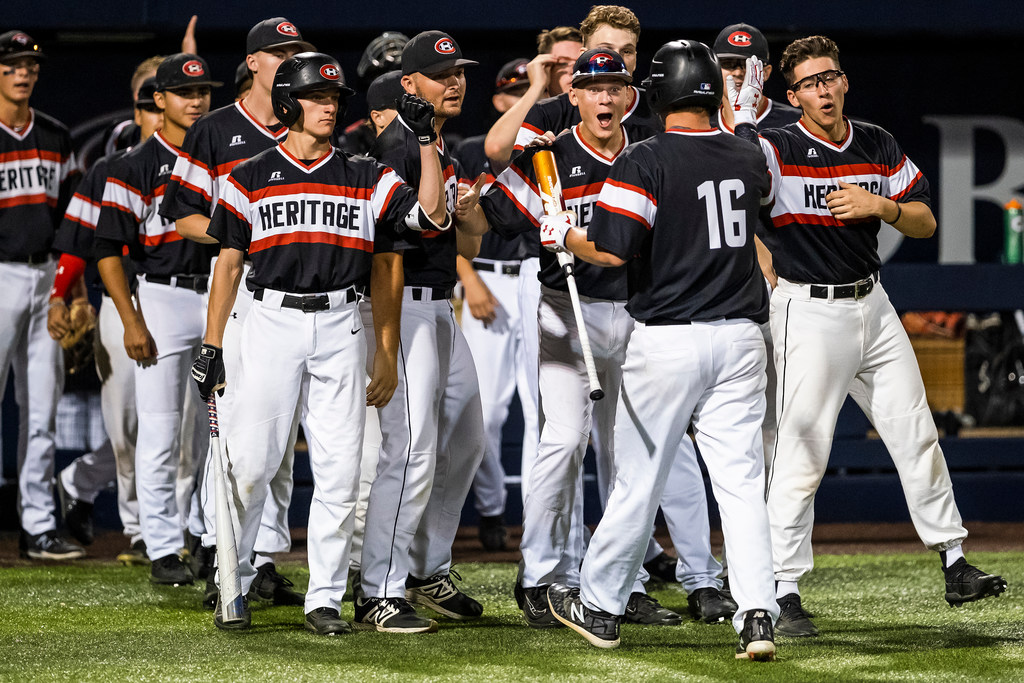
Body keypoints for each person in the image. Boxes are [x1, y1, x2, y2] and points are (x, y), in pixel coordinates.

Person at [749, 35, 1007, 637]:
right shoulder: (776, 147)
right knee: (802, 451)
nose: (824, 89)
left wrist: (881, 207)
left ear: (844, 82)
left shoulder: (876, 141)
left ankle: (954, 560)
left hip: (873, 302)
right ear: (793, 95)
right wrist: (740, 117)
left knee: (916, 430)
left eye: (831, 77)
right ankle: (782, 590)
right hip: (807, 310)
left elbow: (924, 219)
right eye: (810, 82)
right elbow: (735, 185)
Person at [540, 39, 779, 661]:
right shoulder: (747, 154)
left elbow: (612, 248)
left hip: (670, 338)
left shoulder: (645, 157)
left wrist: (564, 232)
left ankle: (599, 604)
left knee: (638, 477)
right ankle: (757, 612)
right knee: (742, 481)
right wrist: (744, 121)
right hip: (741, 339)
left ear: (658, 92)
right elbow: (764, 199)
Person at [194, 52, 447, 634]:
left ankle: (325, 600)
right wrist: (212, 345)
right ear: (288, 104)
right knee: (251, 466)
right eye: (317, 97)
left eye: (335, 98)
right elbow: (228, 265)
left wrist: (427, 142)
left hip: (341, 325)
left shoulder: (368, 176)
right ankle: (233, 582)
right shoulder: (247, 177)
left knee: (339, 471)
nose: (330, 106)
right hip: (266, 323)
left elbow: (429, 221)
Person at [477, 48, 690, 629]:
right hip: (565, 312)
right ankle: (541, 575)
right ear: (574, 96)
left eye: (615, 86)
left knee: (633, 453)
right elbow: (487, 216)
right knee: (564, 442)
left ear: (629, 96)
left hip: (640, 313)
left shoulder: (648, 157)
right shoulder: (551, 154)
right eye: (593, 88)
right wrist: (468, 195)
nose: (604, 97)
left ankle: (624, 580)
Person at [160, 17, 316, 609]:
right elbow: (183, 215)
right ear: (253, 61)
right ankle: (217, 548)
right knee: (238, 435)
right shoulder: (216, 129)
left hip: (297, 296)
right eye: (278, 52)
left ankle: (263, 558)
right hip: (242, 290)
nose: (287, 59)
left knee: (282, 440)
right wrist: (245, 240)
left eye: (294, 51)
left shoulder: (305, 123)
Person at [355, 29, 486, 634]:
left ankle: (426, 565)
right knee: (408, 450)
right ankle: (380, 587)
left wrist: (474, 219)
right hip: (401, 303)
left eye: (459, 72)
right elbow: (394, 243)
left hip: (440, 305)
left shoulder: (433, 143)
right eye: (441, 74)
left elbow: (458, 238)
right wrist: (385, 338)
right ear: (408, 85)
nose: (455, 81)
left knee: (465, 438)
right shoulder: (395, 145)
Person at [94, 53, 221, 586]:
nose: (195, 101)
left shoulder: (224, 157)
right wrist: (131, 319)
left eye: (202, 92)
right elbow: (107, 250)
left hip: (219, 292)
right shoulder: (134, 165)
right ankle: (163, 545)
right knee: (161, 429)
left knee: (215, 433)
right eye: (183, 93)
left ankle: (208, 535)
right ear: (158, 101)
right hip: (163, 297)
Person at [47, 76, 164, 564]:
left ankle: (85, 484)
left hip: (188, 301)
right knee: (131, 426)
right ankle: (141, 530)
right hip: (129, 301)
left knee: (179, 430)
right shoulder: (113, 167)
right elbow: (76, 240)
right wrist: (60, 295)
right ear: (140, 109)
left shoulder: (205, 164)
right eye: (149, 101)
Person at [0, 30, 81, 561]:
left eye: (29, 64)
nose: (23, 72)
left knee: (43, 407)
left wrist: (69, 289)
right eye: (11, 64)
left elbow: (72, 218)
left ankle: (38, 524)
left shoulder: (54, 135)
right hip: (0, 274)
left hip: (45, 274)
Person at [455, 58, 532, 553]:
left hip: (536, 277)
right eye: (513, 92)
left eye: (530, 92)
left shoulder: (546, 146)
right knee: (486, 413)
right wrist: (470, 280)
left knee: (544, 412)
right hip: (486, 279)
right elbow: (451, 225)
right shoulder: (468, 150)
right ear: (500, 99)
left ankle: (541, 522)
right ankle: (490, 509)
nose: (521, 100)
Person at [713, 23, 800, 133]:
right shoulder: (702, 124)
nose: (738, 72)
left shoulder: (796, 123)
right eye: (728, 64)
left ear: (765, 73)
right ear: (715, 70)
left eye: (748, 65)